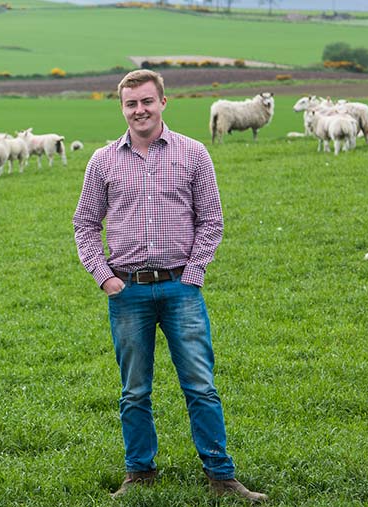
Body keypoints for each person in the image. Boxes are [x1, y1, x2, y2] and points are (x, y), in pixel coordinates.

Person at [72, 69, 267, 503]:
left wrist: (194, 275)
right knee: (134, 389)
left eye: (146, 101)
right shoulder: (103, 160)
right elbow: (85, 224)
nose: (139, 110)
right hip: (128, 292)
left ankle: (221, 475)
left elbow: (211, 220)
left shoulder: (193, 154)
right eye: (130, 103)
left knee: (200, 384)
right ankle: (139, 472)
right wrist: (104, 277)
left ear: (163, 102)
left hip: (182, 287)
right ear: (122, 107)